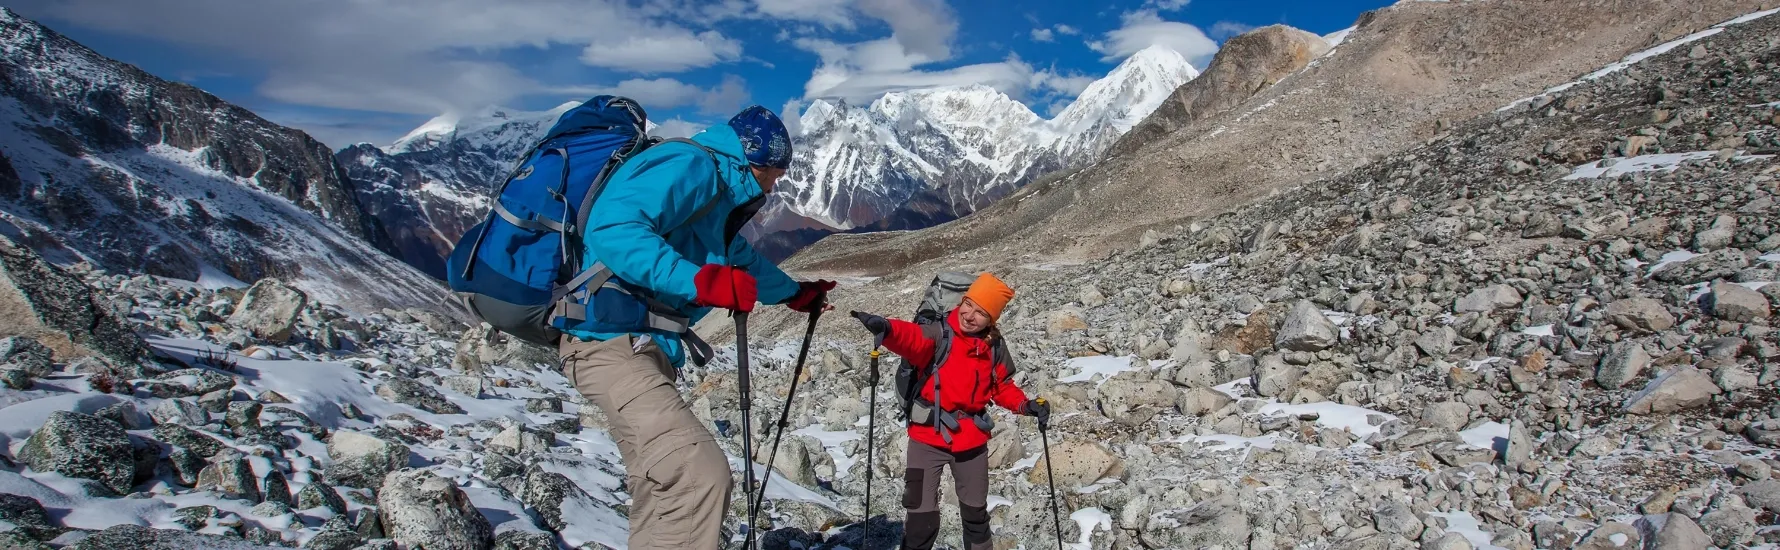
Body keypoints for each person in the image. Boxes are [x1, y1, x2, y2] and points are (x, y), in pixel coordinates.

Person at [557, 105, 836, 549]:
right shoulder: (692, 165)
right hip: (608, 343)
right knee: (698, 476)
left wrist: (792, 293)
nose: (777, 183)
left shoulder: (718, 191)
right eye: (775, 172)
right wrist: (699, 282)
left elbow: (737, 259)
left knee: (661, 486)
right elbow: (613, 229)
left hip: (633, 345)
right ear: (755, 161)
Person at [850, 273, 1051, 550]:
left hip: (971, 441)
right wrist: (887, 328)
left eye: (981, 312)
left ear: (991, 319)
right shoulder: (938, 332)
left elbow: (1002, 386)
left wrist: (1025, 405)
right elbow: (912, 339)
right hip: (926, 439)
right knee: (920, 519)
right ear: (963, 300)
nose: (970, 315)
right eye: (969, 305)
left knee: (976, 516)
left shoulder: (993, 346)